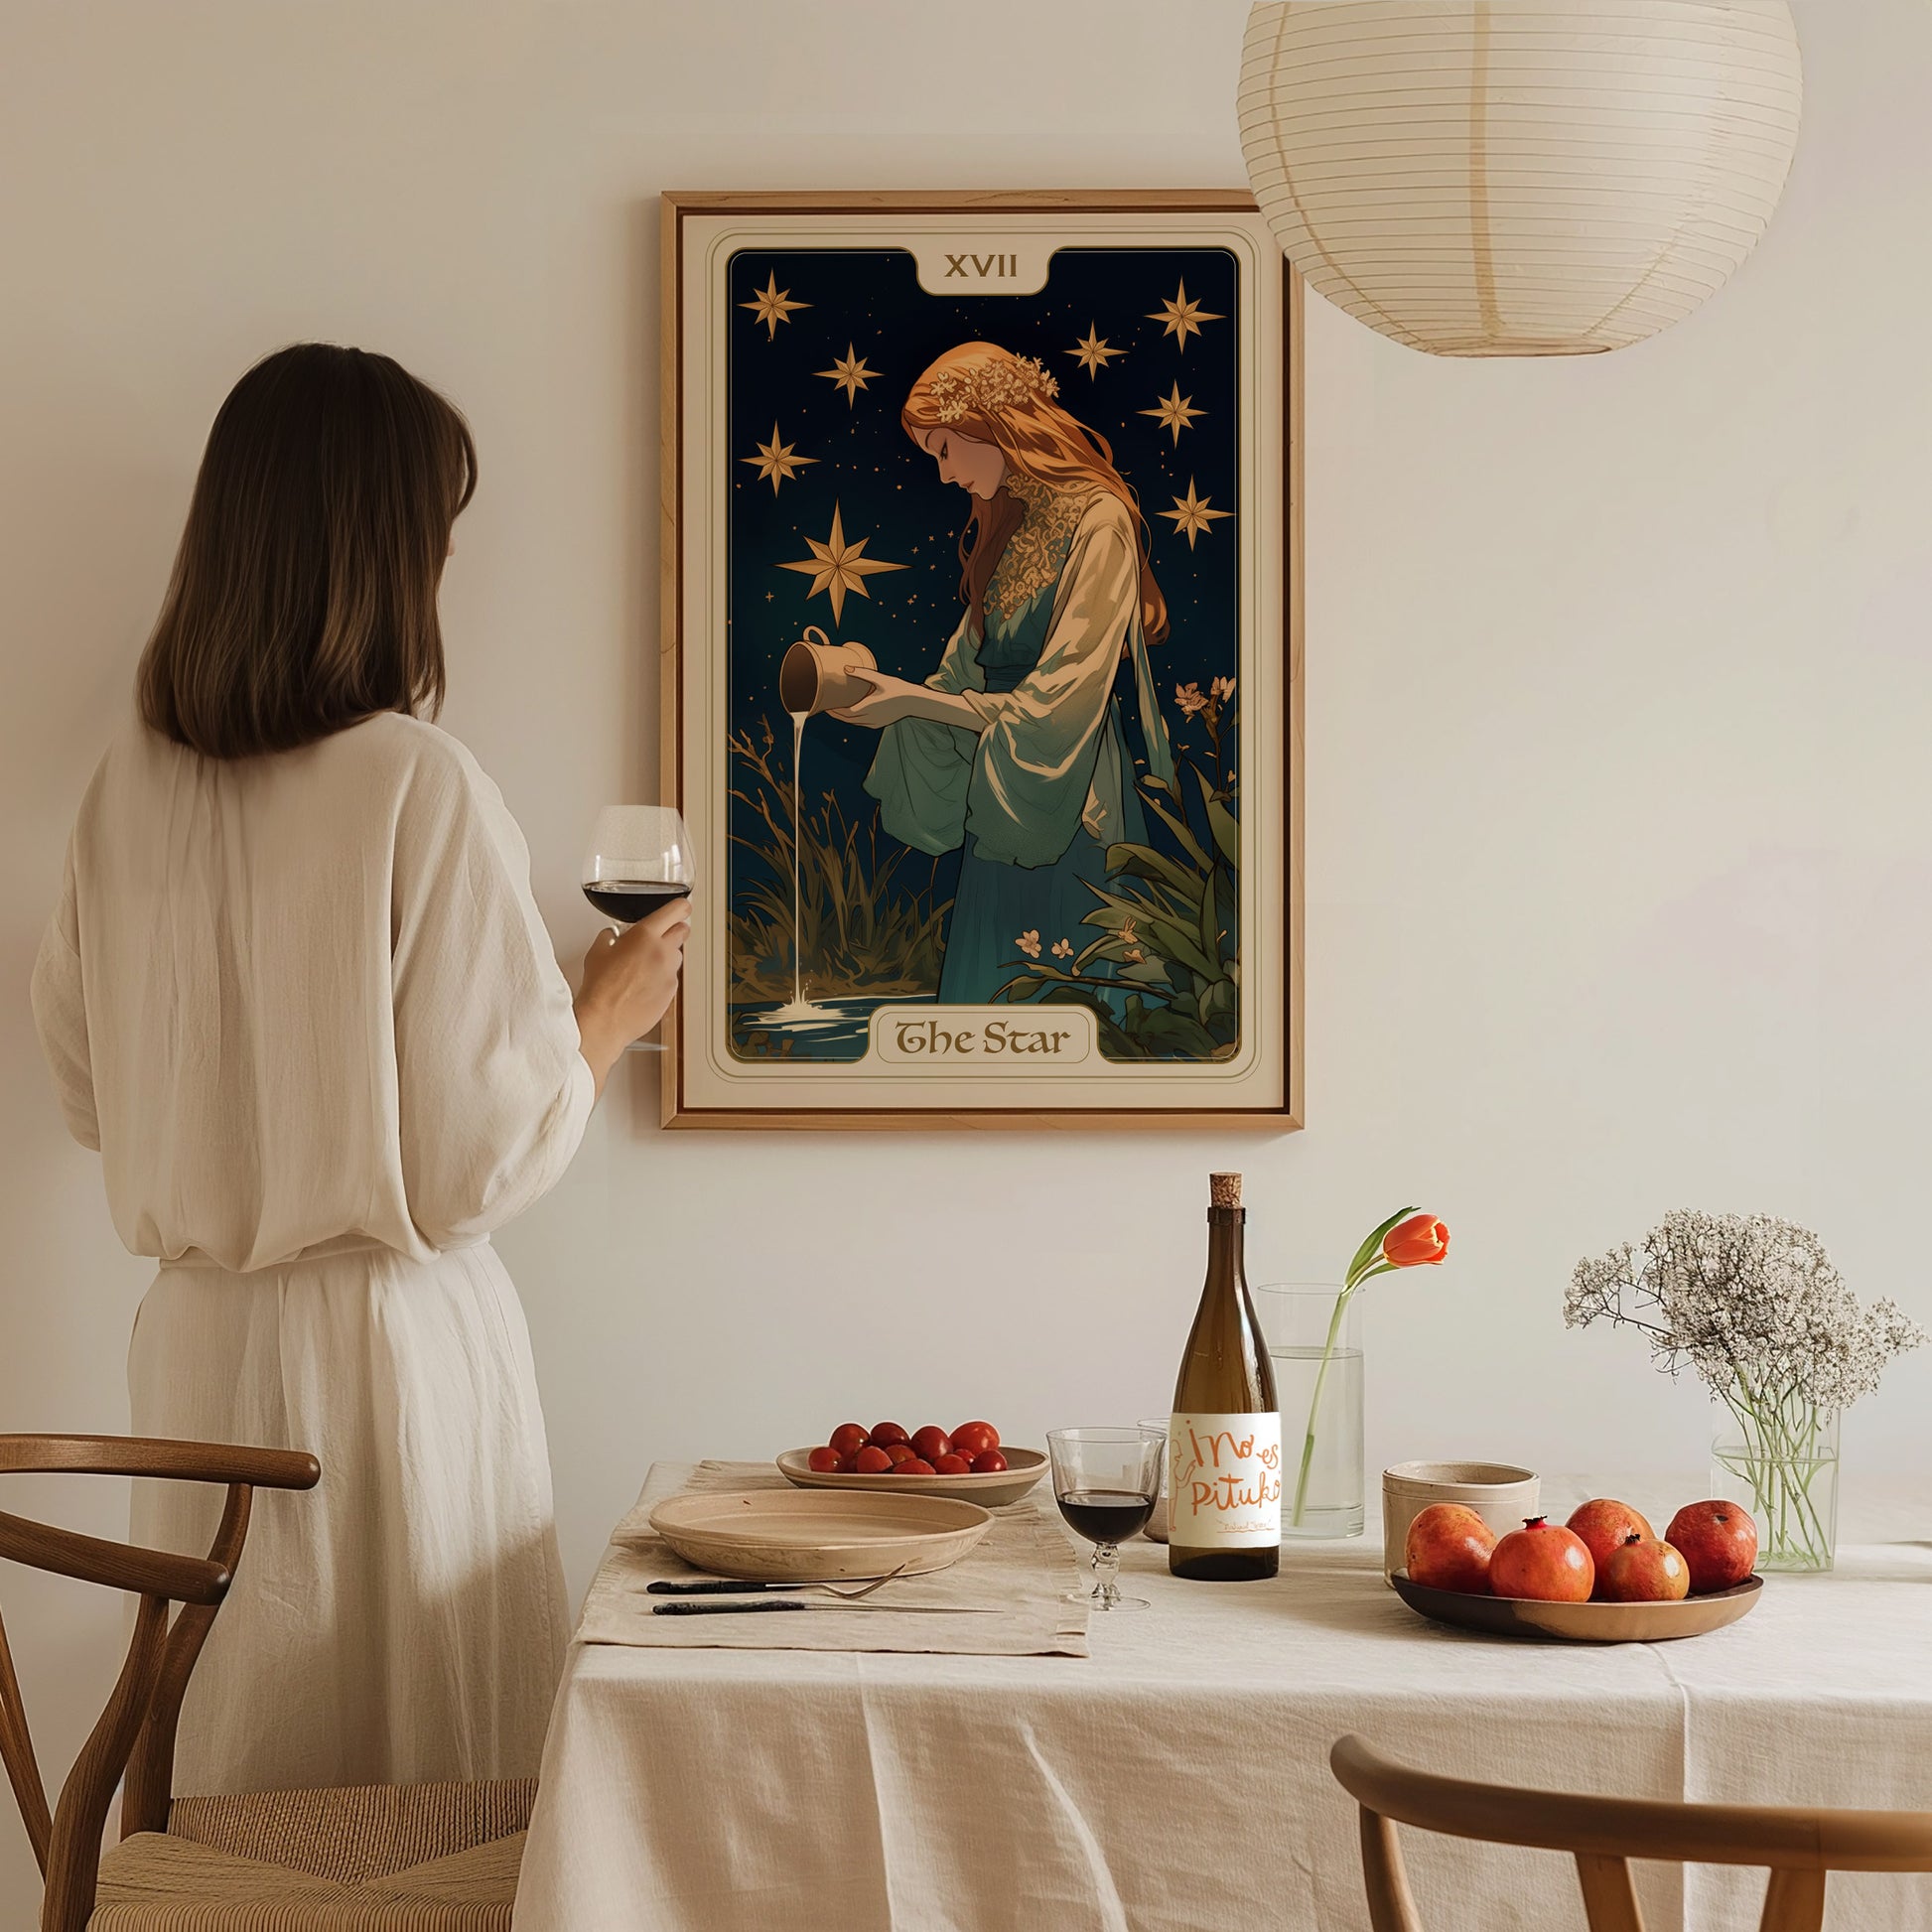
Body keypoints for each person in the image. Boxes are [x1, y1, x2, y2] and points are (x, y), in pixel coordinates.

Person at [29, 343, 686, 1793]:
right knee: (421, 1798)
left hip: (195, 1352)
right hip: (388, 1363)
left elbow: (87, 1092)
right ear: (384, 551)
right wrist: (602, 1011)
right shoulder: (414, 780)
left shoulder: (121, 791)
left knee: (239, 1779)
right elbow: (470, 1164)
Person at [837, 341, 1174, 1005]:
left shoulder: (1099, 521)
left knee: (1074, 994)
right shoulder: (1008, 524)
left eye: (942, 449)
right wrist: (885, 696)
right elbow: (958, 673)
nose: (941, 474)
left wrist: (915, 703)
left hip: (1066, 791)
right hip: (1002, 796)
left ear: (990, 425)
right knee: (990, 994)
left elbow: (1066, 696)